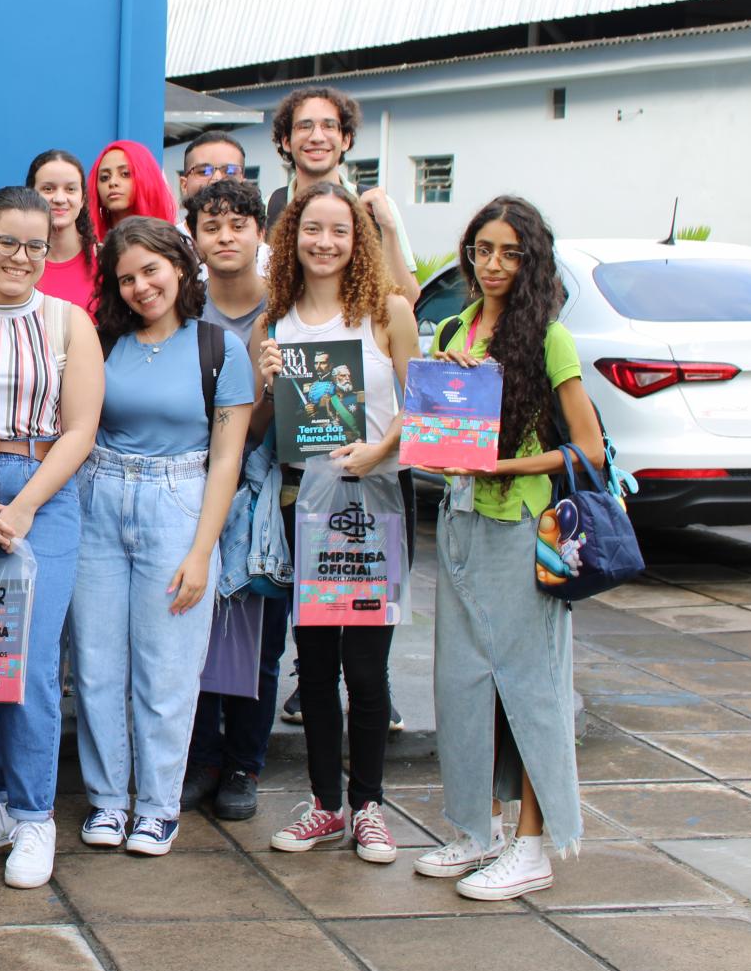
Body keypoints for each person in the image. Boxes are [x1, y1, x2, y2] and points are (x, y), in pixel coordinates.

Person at [412, 196, 600, 901]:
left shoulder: (549, 339)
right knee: (461, 686)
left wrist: (506, 467)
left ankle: (533, 845)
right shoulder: (456, 327)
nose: (493, 265)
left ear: (533, 262)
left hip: (522, 529)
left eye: (510, 254)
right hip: (459, 522)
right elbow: (441, 436)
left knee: (531, 686)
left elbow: (588, 450)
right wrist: (443, 389)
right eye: (484, 250)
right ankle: (475, 828)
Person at [0, 188, 102, 888]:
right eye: (7, 242)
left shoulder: (70, 323)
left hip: (44, 490)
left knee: (30, 661)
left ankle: (36, 817)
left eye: (35, 245)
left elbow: (81, 429)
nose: (21, 257)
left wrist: (27, 504)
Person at [72, 218, 251, 857]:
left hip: (179, 504)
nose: (141, 286)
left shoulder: (220, 349)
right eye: (126, 278)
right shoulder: (100, 343)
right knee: (95, 664)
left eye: (151, 270)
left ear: (180, 266)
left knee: (167, 667)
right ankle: (107, 801)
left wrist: (202, 551)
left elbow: (226, 459)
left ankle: (156, 807)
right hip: (100, 498)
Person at [256, 182, 418, 864]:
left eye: (340, 231)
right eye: (311, 229)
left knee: (368, 665)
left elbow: (427, 409)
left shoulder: (388, 312)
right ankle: (325, 805)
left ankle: (370, 807)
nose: (325, 242)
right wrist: (263, 385)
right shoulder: (276, 325)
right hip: (309, 508)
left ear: (360, 242)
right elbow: (263, 432)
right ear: (292, 238)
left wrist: (381, 449)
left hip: (375, 504)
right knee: (315, 664)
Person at [176, 179, 285, 823]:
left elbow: (273, 427)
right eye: (211, 226)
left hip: (259, 494)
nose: (225, 237)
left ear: (259, 235)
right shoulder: (182, 309)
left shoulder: (284, 311)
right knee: (194, 627)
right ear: (193, 235)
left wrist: (269, 385)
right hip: (188, 487)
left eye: (238, 225)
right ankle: (202, 757)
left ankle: (244, 763)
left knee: (260, 638)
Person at [261, 87, 418, 303]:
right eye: (304, 126)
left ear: (345, 139)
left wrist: (388, 229)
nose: (317, 137)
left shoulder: (378, 207)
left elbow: (408, 299)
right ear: (286, 141)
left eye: (329, 126)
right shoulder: (268, 208)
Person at [25, 149, 98, 311]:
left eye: (70, 189)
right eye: (48, 189)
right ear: (30, 196)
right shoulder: (18, 260)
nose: (59, 199)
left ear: (82, 199)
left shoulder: (104, 259)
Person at [86, 139, 177, 241]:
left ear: (146, 179)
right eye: (105, 177)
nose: (112, 183)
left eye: (125, 174)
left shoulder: (169, 244)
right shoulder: (88, 246)